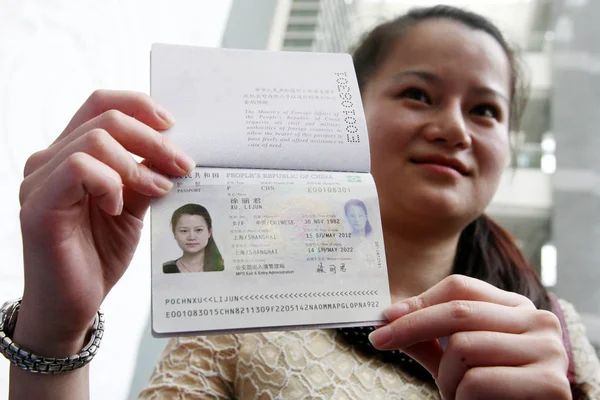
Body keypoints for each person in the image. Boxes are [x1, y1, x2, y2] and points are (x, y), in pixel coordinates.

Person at [7, 5, 600, 399]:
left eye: (485, 110)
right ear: (345, 115)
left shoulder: (554, 331)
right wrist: (56, 332)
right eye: (418, 94)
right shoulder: (239, 308)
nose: (454, 129)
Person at [163, 203, 224, 273]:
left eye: (198, 230)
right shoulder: (166, 269)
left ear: (209, 232)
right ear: (174, 234)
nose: (191, 237)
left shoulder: (222, 267)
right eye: (184, 231)